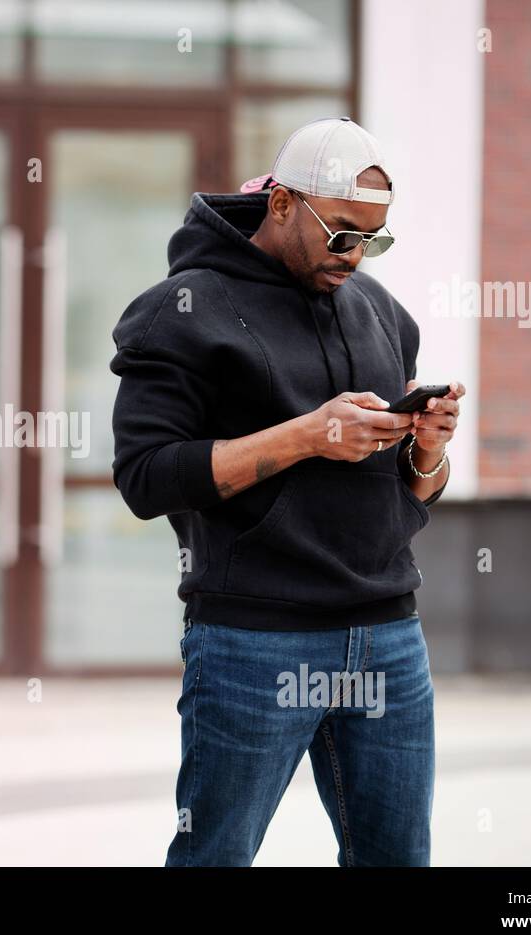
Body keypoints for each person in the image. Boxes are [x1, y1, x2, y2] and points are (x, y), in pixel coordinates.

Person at [108, 117, 465, 866]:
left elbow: (413, 494)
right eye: (341, 234)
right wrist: (306, 435)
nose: (357, 255)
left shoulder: (381, 314)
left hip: (388, 637)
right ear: (280, 205)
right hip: (253, 640)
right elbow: (146, 477)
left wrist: (426, 451)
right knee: (215, 857)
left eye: (374, 238)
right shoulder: (182, 311)